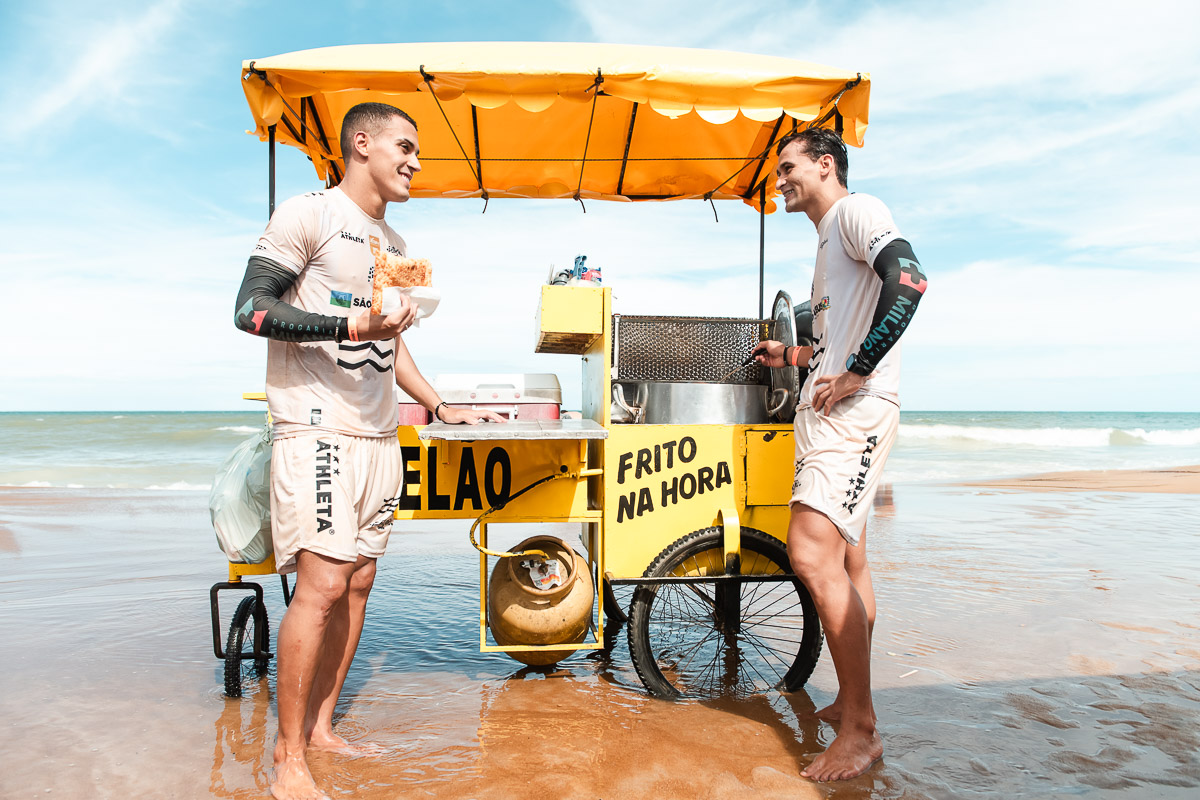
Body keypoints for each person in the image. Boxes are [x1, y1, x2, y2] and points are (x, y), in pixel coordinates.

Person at [233, 101, 503, 800]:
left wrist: (442, 405)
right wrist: (351, 322)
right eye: (404, 146)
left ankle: (322, 729)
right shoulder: (309, 214)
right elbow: (251, 309)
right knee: (319, 588)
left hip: (380, 435)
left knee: (357, 584)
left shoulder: (392, 238)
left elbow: (392, 343)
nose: (415, 161)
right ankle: (286, 760)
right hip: (318, 428)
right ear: (362, 143)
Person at [754, 126, 927, 782]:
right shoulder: (828, 244)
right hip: (830, 416)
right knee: (849, 559)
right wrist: (793, 356)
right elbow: (830, 346)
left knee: (810, 553)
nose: (780, 181)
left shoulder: (857, 211)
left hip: (853, 418)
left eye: (789, 167)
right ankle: (851, 704)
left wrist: (857, 370)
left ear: (827, 165)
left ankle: (861, 732)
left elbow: (908, 280)